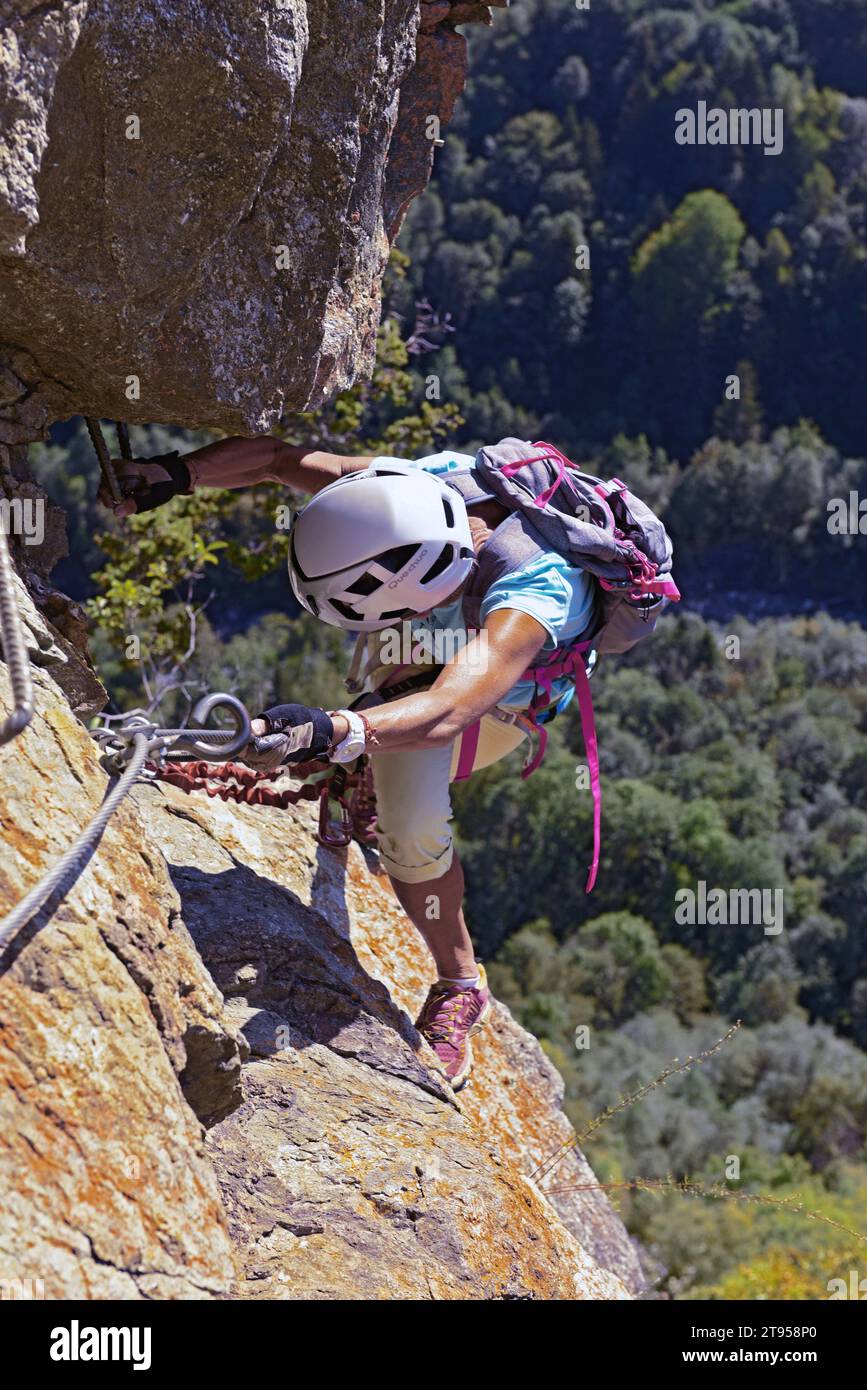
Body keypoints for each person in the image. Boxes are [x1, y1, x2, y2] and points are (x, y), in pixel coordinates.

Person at [103, 437, 596, 1089]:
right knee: (392, 690)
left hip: (500, 701)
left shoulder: (533, 591)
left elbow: (448, 707)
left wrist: (336, 730)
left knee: (411, 827)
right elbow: (281, 461)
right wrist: (175, 473)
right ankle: (365, 751)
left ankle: (459, 984)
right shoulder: (415, 490)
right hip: (430, 642)